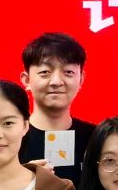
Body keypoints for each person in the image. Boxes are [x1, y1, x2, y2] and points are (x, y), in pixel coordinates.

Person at [17, 31, 93, 173]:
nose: (56, 82)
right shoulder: (9, 138)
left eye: (68, 72)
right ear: (26, 80)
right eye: (45, 72)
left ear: (81, 79)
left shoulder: (97, 138)